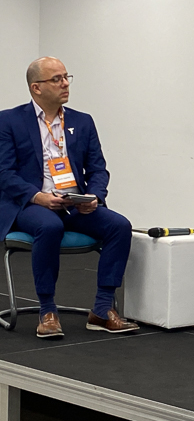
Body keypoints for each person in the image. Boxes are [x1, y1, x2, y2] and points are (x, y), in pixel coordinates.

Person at [0, 57, 137, 338]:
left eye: (66, 77)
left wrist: (94, 196)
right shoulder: (9, 121)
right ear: (36, 88)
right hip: (30, 203)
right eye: (56, 79)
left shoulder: (82, 121)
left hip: (75, 202)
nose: (65, 84)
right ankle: (47, 311)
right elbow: (4, 173)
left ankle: (102, 309)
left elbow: (98, 169)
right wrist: (38, 197)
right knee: (50, 226)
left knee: (119, 226)